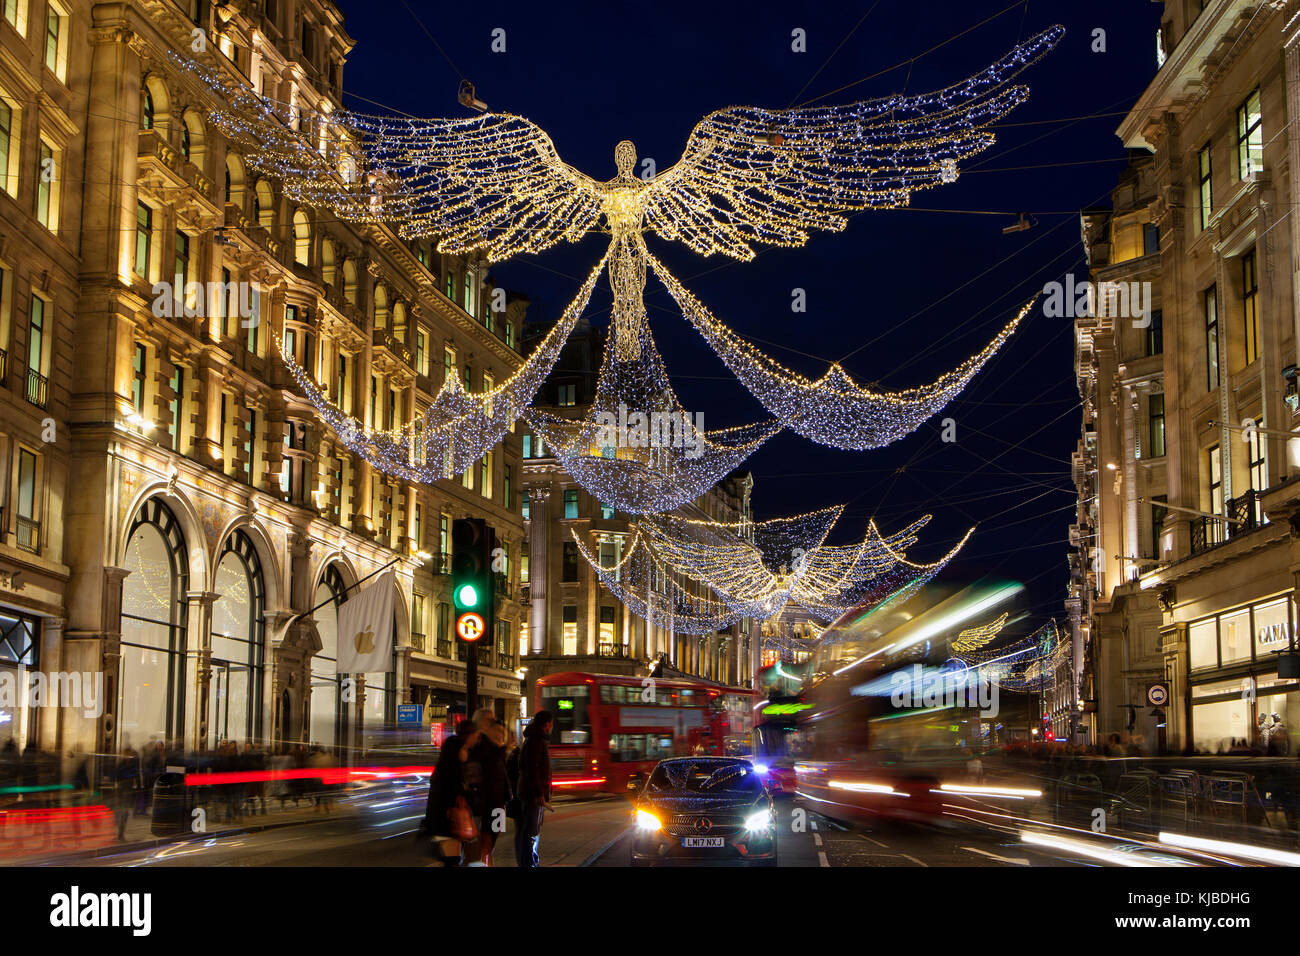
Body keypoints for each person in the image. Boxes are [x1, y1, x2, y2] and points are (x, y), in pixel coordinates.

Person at [424, 720, 474, 866]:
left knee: (452, 861)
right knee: (452, 862)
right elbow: (455, 797)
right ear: (456, 752)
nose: (466, 752)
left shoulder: (445, 770)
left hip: (443, 825)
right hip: (447, 826)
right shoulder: (450, 773)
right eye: (464, 749)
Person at [464, 711, 510, 866]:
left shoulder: (498, 751)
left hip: (498, 803)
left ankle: (487, 862)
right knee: (483, 844)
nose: (500, 734)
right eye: (489, 721)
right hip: (486, 804)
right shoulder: (480, 748)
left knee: (491, 842)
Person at [514, 710, 553, 868]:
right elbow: (533, 769)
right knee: (530, 831)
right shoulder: (537, 741)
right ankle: (529, 863)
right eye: (551, 723)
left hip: (531, 793)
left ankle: (529, 861)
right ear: (546, 724)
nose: (552, 726)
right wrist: (539, 792)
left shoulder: (533, 740)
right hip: (533, 795)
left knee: (530, 830)